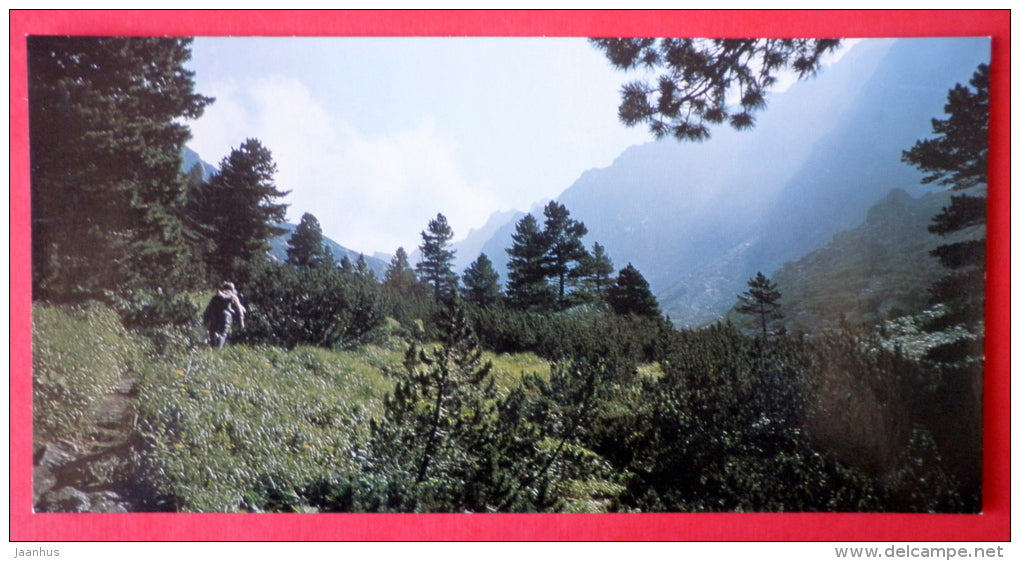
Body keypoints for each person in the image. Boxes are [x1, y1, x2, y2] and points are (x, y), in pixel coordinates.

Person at [203, 281, 246, 349]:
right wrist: (241, 322)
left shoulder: (217, 295)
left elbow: (209, 308)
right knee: (223, 334)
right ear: (232, 289)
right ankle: (218, 349)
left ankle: (213, 344)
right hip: (226, 316)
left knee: (213, 331)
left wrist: (206, 319)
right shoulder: (232, 296)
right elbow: (239, 309)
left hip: (214, 315)